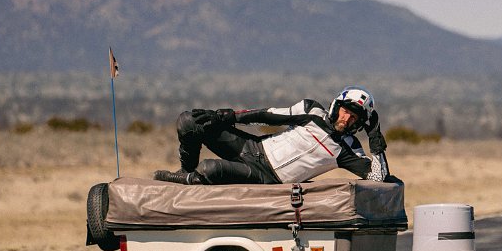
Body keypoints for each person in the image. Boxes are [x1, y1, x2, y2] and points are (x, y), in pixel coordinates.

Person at [153, 86, 391, 185]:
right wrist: (225, 116)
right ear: (336, 105)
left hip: (267, 177)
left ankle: (188, 180)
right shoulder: (311, 111)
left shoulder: (349, 150)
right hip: (253, 148)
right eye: (346, 111)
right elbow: (269, 115)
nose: (347, 119)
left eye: (355, 118)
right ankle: (185, 172)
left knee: (209, 169)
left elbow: (379, 179)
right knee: (189, 121)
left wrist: (376, 138)